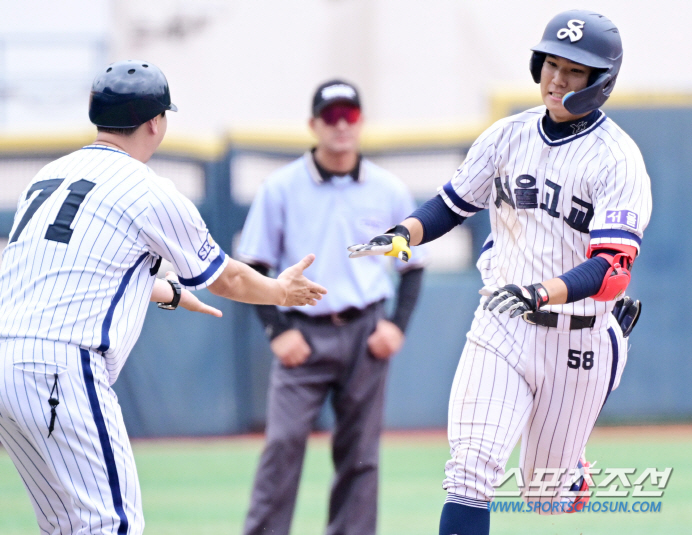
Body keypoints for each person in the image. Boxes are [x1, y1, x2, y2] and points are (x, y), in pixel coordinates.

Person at [349, 10, 651, 534]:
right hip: (501, 323)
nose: (557, 79)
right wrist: (404, 234)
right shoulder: (507, 136)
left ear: (600, 82)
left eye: (575, 70)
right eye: (552, 63)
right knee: (469, 473)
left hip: (575, 337)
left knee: (545, 496)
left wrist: (544, 291)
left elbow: (613, 271)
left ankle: (607, 363)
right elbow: (452, 204)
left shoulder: (618, 160)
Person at [0, 60, 326, 535]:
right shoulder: (148, 189)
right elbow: (226, 279)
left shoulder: (50, 174)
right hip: (60, 367)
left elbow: (65, 270)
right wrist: (280, 290)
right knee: (112, 525)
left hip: (9, 359)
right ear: (155, 122)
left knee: (67, 527)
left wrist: (165, 292)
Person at [238, 79, 426, 535]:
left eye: (350, 115)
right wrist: (277, 330)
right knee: (282, 444)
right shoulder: (280, 188)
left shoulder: (388, 189)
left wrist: (396, 327)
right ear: (314, 124)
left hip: (365, 333)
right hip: (302, 333)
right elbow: (255, 265)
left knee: (361, 454)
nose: (341, 126)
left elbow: (412, 266)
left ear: (361, 123)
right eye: (331, 117)